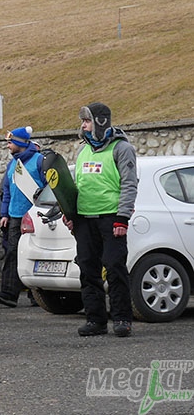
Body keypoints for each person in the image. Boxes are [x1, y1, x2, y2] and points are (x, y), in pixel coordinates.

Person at [70, 103, 138, 338]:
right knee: (88, 270)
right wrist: (71, 216)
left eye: (87, 121)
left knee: (114, 267)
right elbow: (77, 187)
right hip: (85, 220)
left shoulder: (122, 148)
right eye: (83, 121)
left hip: (111, 218)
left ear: (100, 122)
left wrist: (122, 218)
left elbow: (130, 184)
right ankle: (95, 320)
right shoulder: (83, 151)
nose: (83, 126)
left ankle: (121, 319)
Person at [0, 126, 45, 308]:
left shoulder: (39, 161)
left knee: (35, 253)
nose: (7, 145)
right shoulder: (12, 163)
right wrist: (4, 213)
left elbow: (47, 188)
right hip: (14, 216)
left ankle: (36, 295)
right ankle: (8, 293)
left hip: (33, 217)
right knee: (13, 253)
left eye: (10, 142)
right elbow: (7, 190)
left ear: (20, 143)